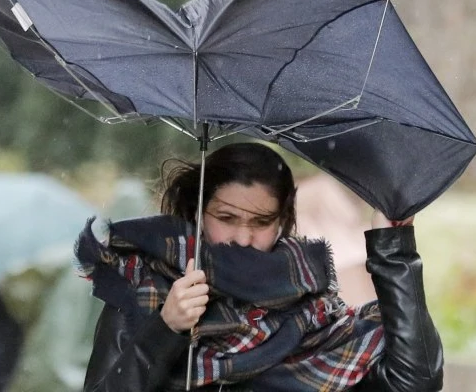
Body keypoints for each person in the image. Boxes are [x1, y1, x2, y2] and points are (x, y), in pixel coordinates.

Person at [75, 143, 443, 391]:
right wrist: (165, 328)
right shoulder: (146, 289)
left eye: (261, 222)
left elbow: (416, 379)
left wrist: (395, 252)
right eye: (226, 217)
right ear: (198, 212)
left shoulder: (309, 309)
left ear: (283, 222)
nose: (243, 237)